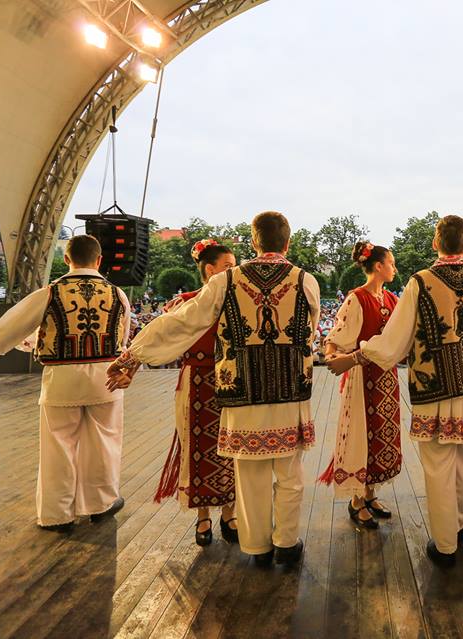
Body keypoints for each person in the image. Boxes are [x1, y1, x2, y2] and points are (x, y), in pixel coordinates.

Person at [107, 212, 320, 566]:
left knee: (249, 473)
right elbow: (309, 332)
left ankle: (257, 547)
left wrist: (134, 355)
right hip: (288, 392)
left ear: (253, 242)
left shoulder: (226, 282)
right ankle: (286, 542)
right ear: (287, 242)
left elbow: (182, 322)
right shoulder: (305, 281)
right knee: (289, 473)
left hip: (240, 394)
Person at [327, 215, 463, 566]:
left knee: (439, 467)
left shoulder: (421, 282)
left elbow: (394, 341)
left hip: (435, 389)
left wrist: (356, 356)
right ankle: (461, 524)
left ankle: (445, 544)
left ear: (435, 243)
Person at [0, 235, 130, 531]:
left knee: (58, 446)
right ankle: (100, 503)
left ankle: (57, 514)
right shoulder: (118, 293)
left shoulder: (51, 292)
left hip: (61, 380)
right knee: (104, 443)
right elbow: (124, 336)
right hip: (105, 380)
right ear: (99, 260)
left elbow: (13, 323)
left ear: (67, 260)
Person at [152, 240, 239, 546]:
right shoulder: (185, 303)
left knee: (232, 445)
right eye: (229, 267)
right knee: (196, 445)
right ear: (209, 269)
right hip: (196, 379)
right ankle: (203, 515)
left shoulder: (237, 302)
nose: (234, 272)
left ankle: (230, 511)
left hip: (229, 378)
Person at [318, 241, 402, 530]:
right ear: (378, 266)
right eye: (391, 263)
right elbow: (335, 339)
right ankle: (356, 500)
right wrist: (337, 356)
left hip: (386, 379)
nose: (394, 268)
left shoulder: (391, 299)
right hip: (362, 377)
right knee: (361, 435)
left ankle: (370, 493)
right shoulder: (357, 298)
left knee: (381, 434)